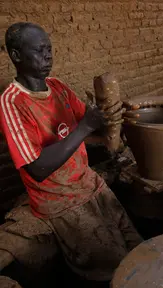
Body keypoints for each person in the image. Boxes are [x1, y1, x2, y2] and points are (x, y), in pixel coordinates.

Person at [0, 22, 143, 283]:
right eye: (40, 50)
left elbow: (91, 132)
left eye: (50, 50)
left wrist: (112, 124)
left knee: (136, 245)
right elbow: (37, 169)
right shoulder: (12, 103)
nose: (48, 56)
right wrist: (86, 126)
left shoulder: (58, 87)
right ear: (16, 55)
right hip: (57, 197)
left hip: (88, 182)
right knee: (113, 267)